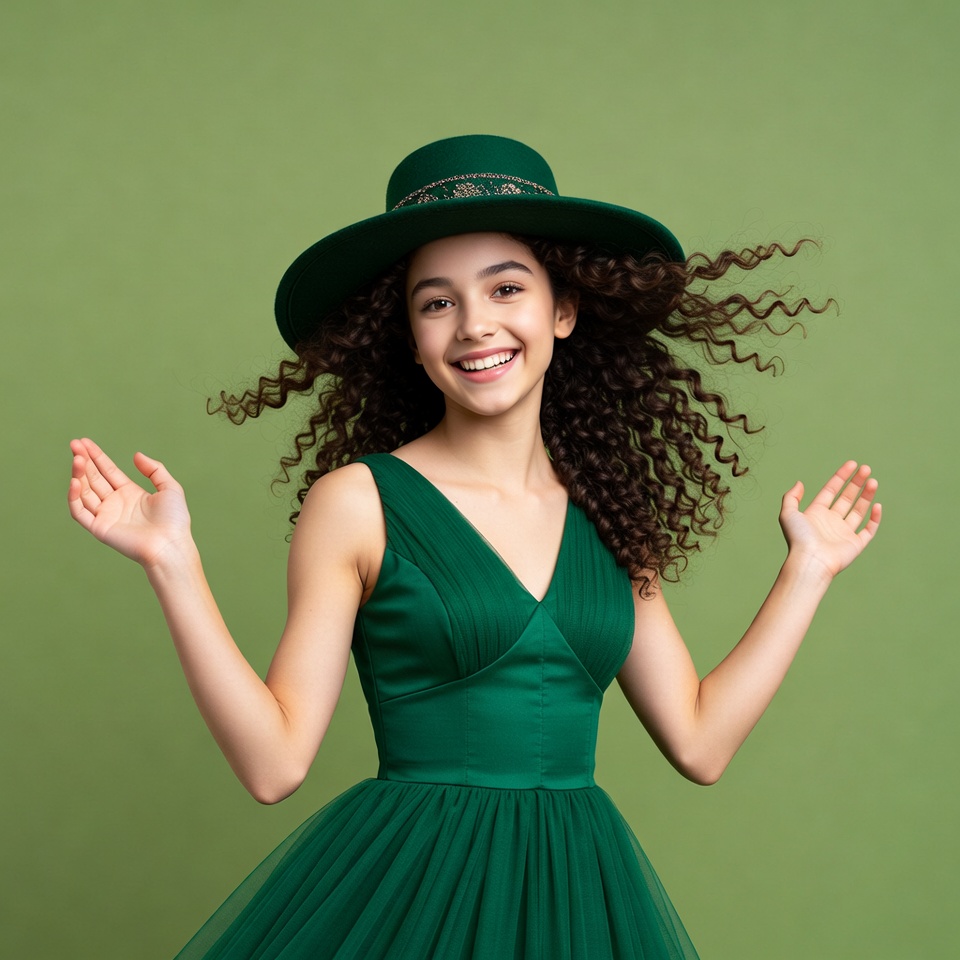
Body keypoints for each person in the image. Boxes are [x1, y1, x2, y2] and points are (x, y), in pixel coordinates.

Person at [67, 135, 881, 959]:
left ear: (562, 310)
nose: (474, 325)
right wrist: (175, 564)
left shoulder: (605, 513)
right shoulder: (358, 502)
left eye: (506, 288)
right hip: (410, 896)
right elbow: (273, 765)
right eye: (437, 302)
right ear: (410, 335)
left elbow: (701, 743)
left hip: (578, 899)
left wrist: (807, 572)